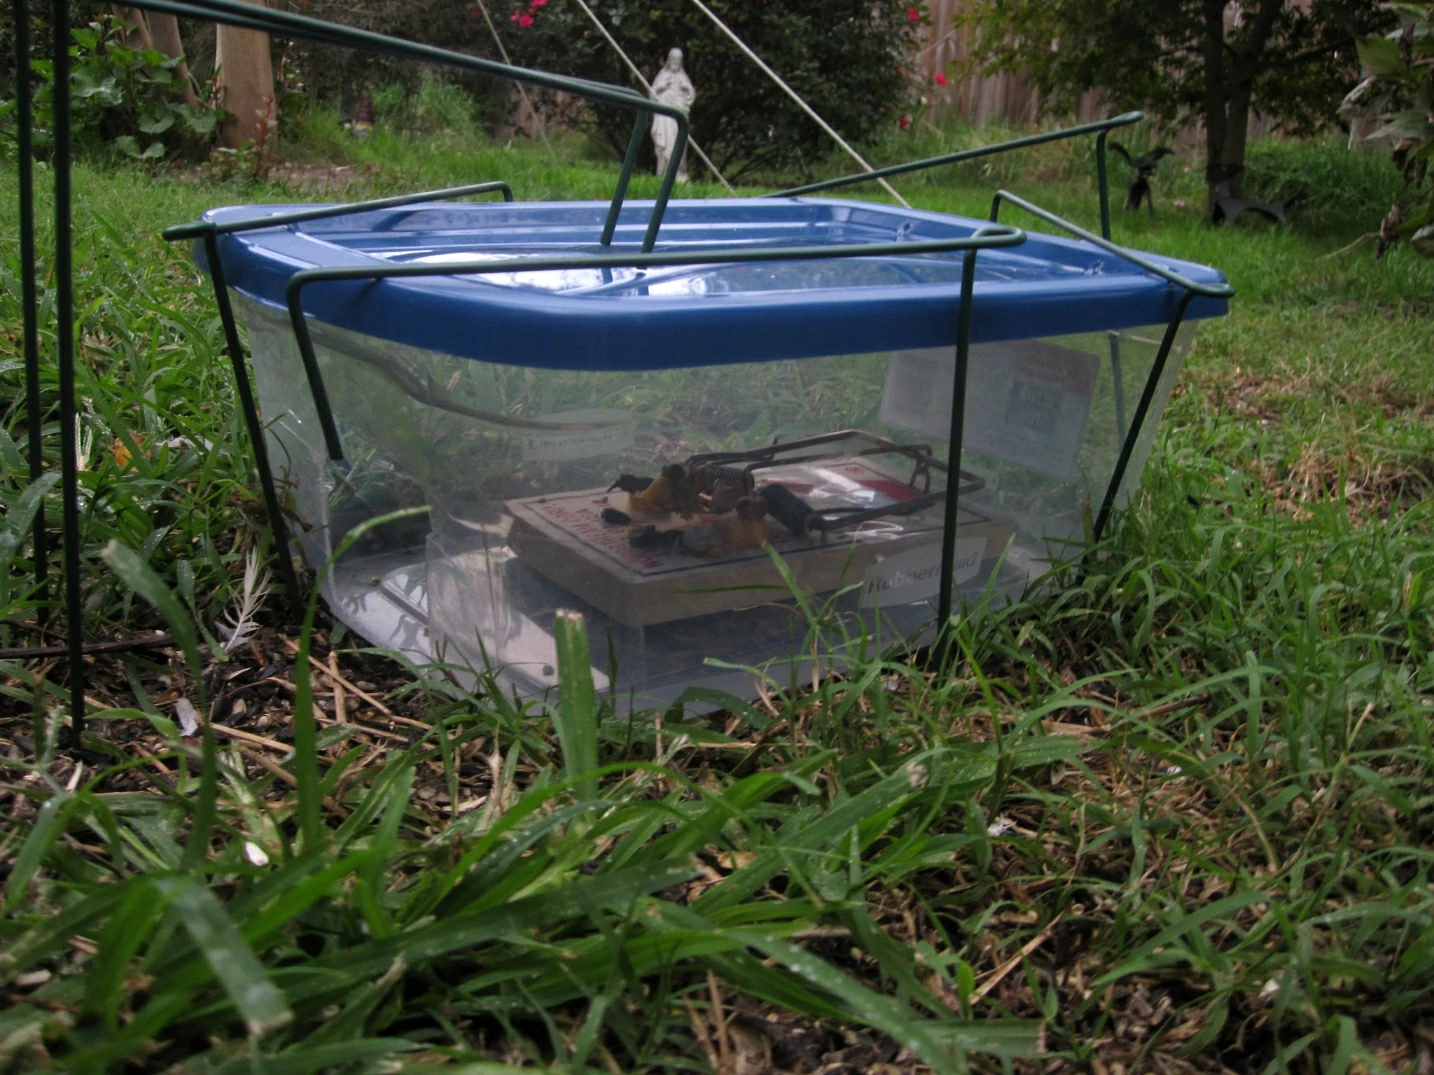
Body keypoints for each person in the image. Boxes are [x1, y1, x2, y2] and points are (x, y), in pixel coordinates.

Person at [650, 47, 694, 182]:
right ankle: (663, 174)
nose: (675, 62)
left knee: (678, 145)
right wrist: (661, 87)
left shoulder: (683, 77)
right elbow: (652, 95)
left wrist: (687, 88)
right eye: (673, 59)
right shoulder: (662, 76)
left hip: (678, 116)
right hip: (664, 116)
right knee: (664, 146)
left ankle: (679, 174)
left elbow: (690, 96)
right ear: (669, 60)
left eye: (678, 60)